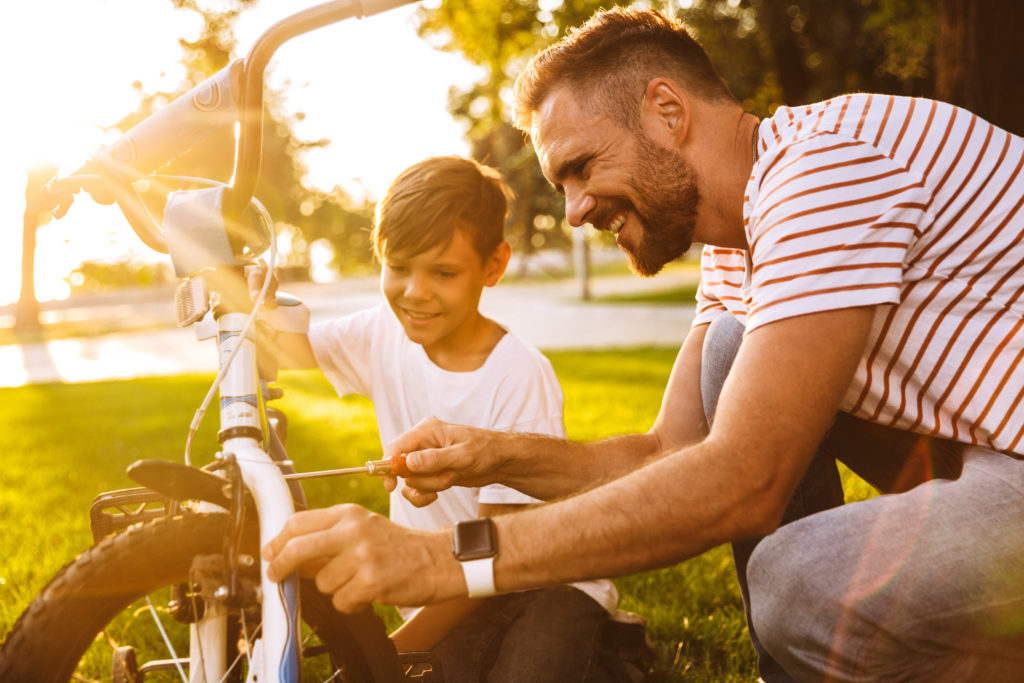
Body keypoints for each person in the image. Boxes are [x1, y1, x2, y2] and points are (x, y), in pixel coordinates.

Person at [263, 8, 1024, 681]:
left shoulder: (824, 169)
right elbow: (670, 454)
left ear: (666, 109)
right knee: (730, 351)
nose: (572, 211)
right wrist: (493, 453)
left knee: (799, 583)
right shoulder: (739, 243)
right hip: (996, 456)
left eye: (581, 168)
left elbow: (742, 479)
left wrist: (439, 559)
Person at [259, 156, 619, 682]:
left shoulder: (519, 374)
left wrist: (376, 659)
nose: (415, 292)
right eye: (398, 266)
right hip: (448, 593)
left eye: (443, 273)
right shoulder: (382, 332)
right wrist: (247, 299)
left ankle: (611, 654)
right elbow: (286, 347)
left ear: (493, 266)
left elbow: (499, 553)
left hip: (539, 584)